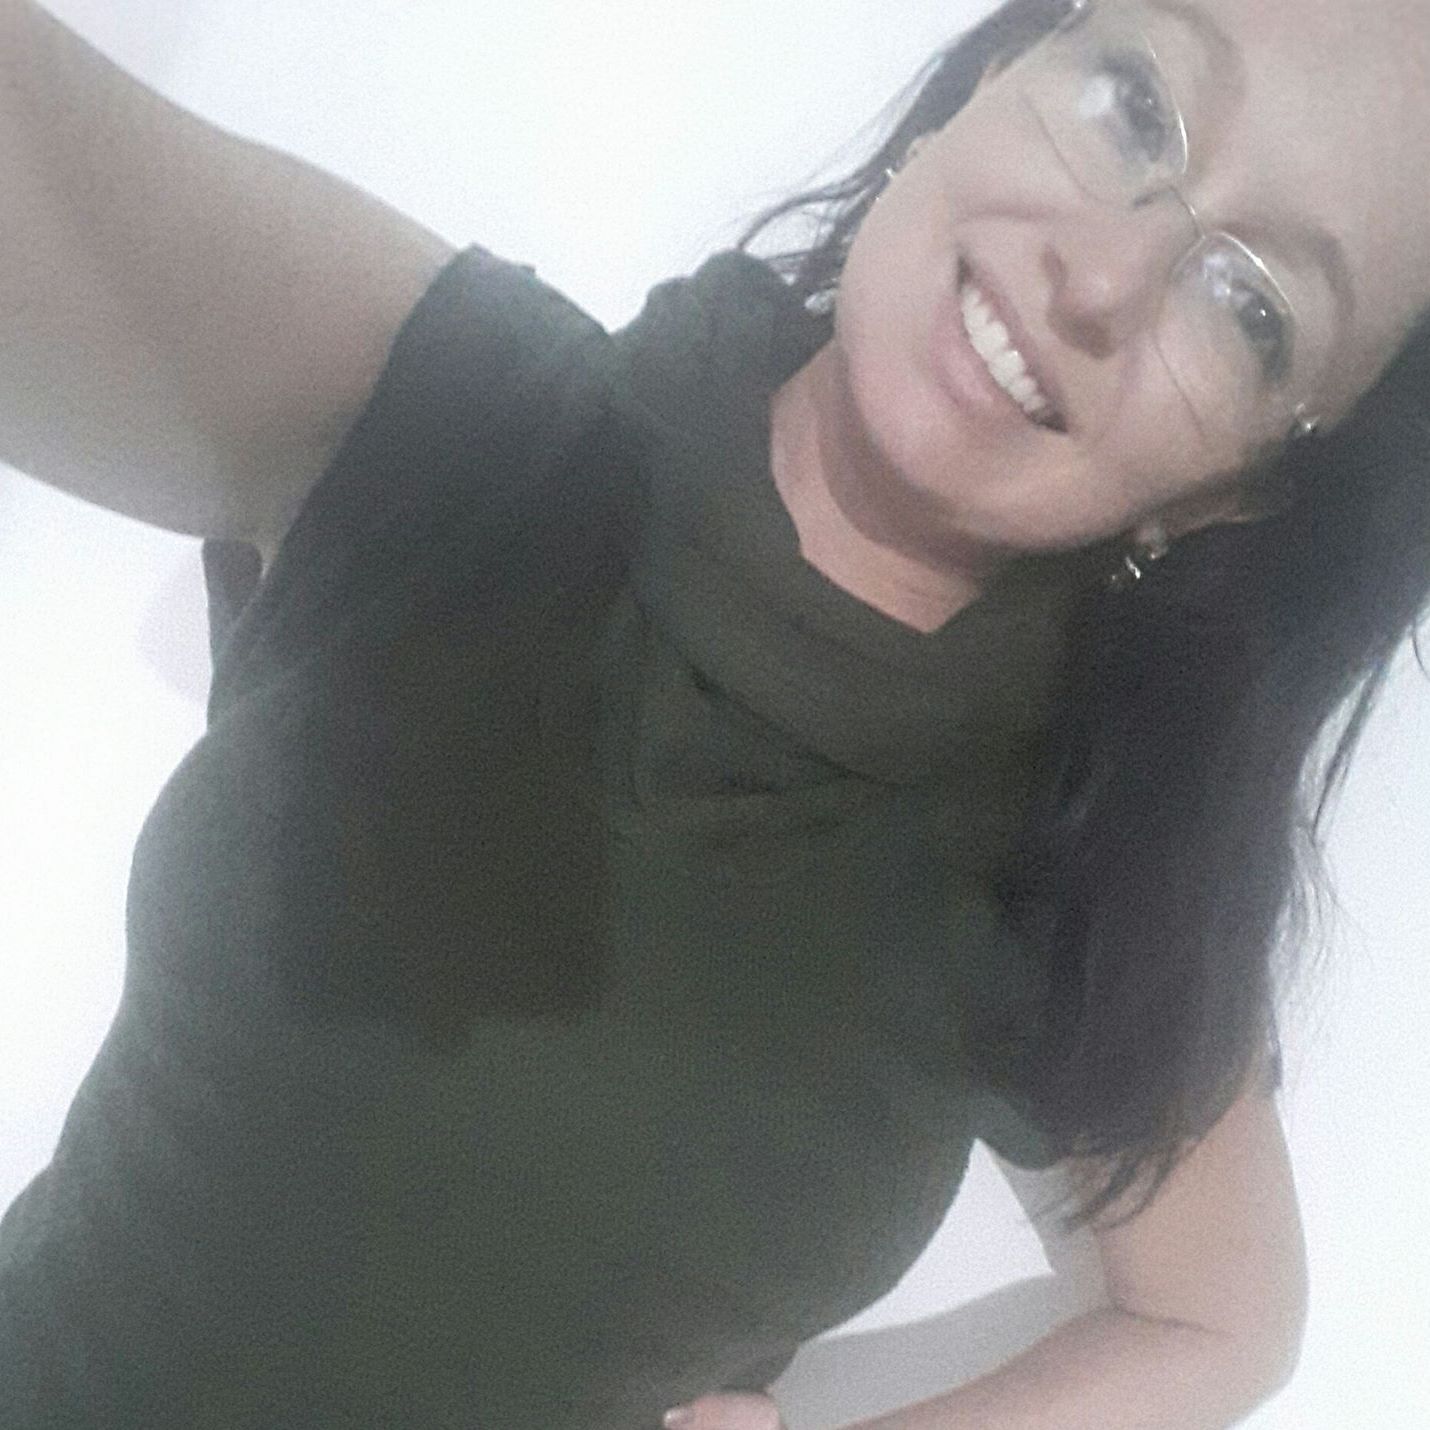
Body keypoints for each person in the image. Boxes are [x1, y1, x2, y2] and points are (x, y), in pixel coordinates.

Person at [2, 0, 1427, 1425]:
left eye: (1252, 312)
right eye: (1136, 102)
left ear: (1241, 491)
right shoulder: (454, 415)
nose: (1102, 279)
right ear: (1001, 67)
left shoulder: (1091, 856)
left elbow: (1222, 1322)